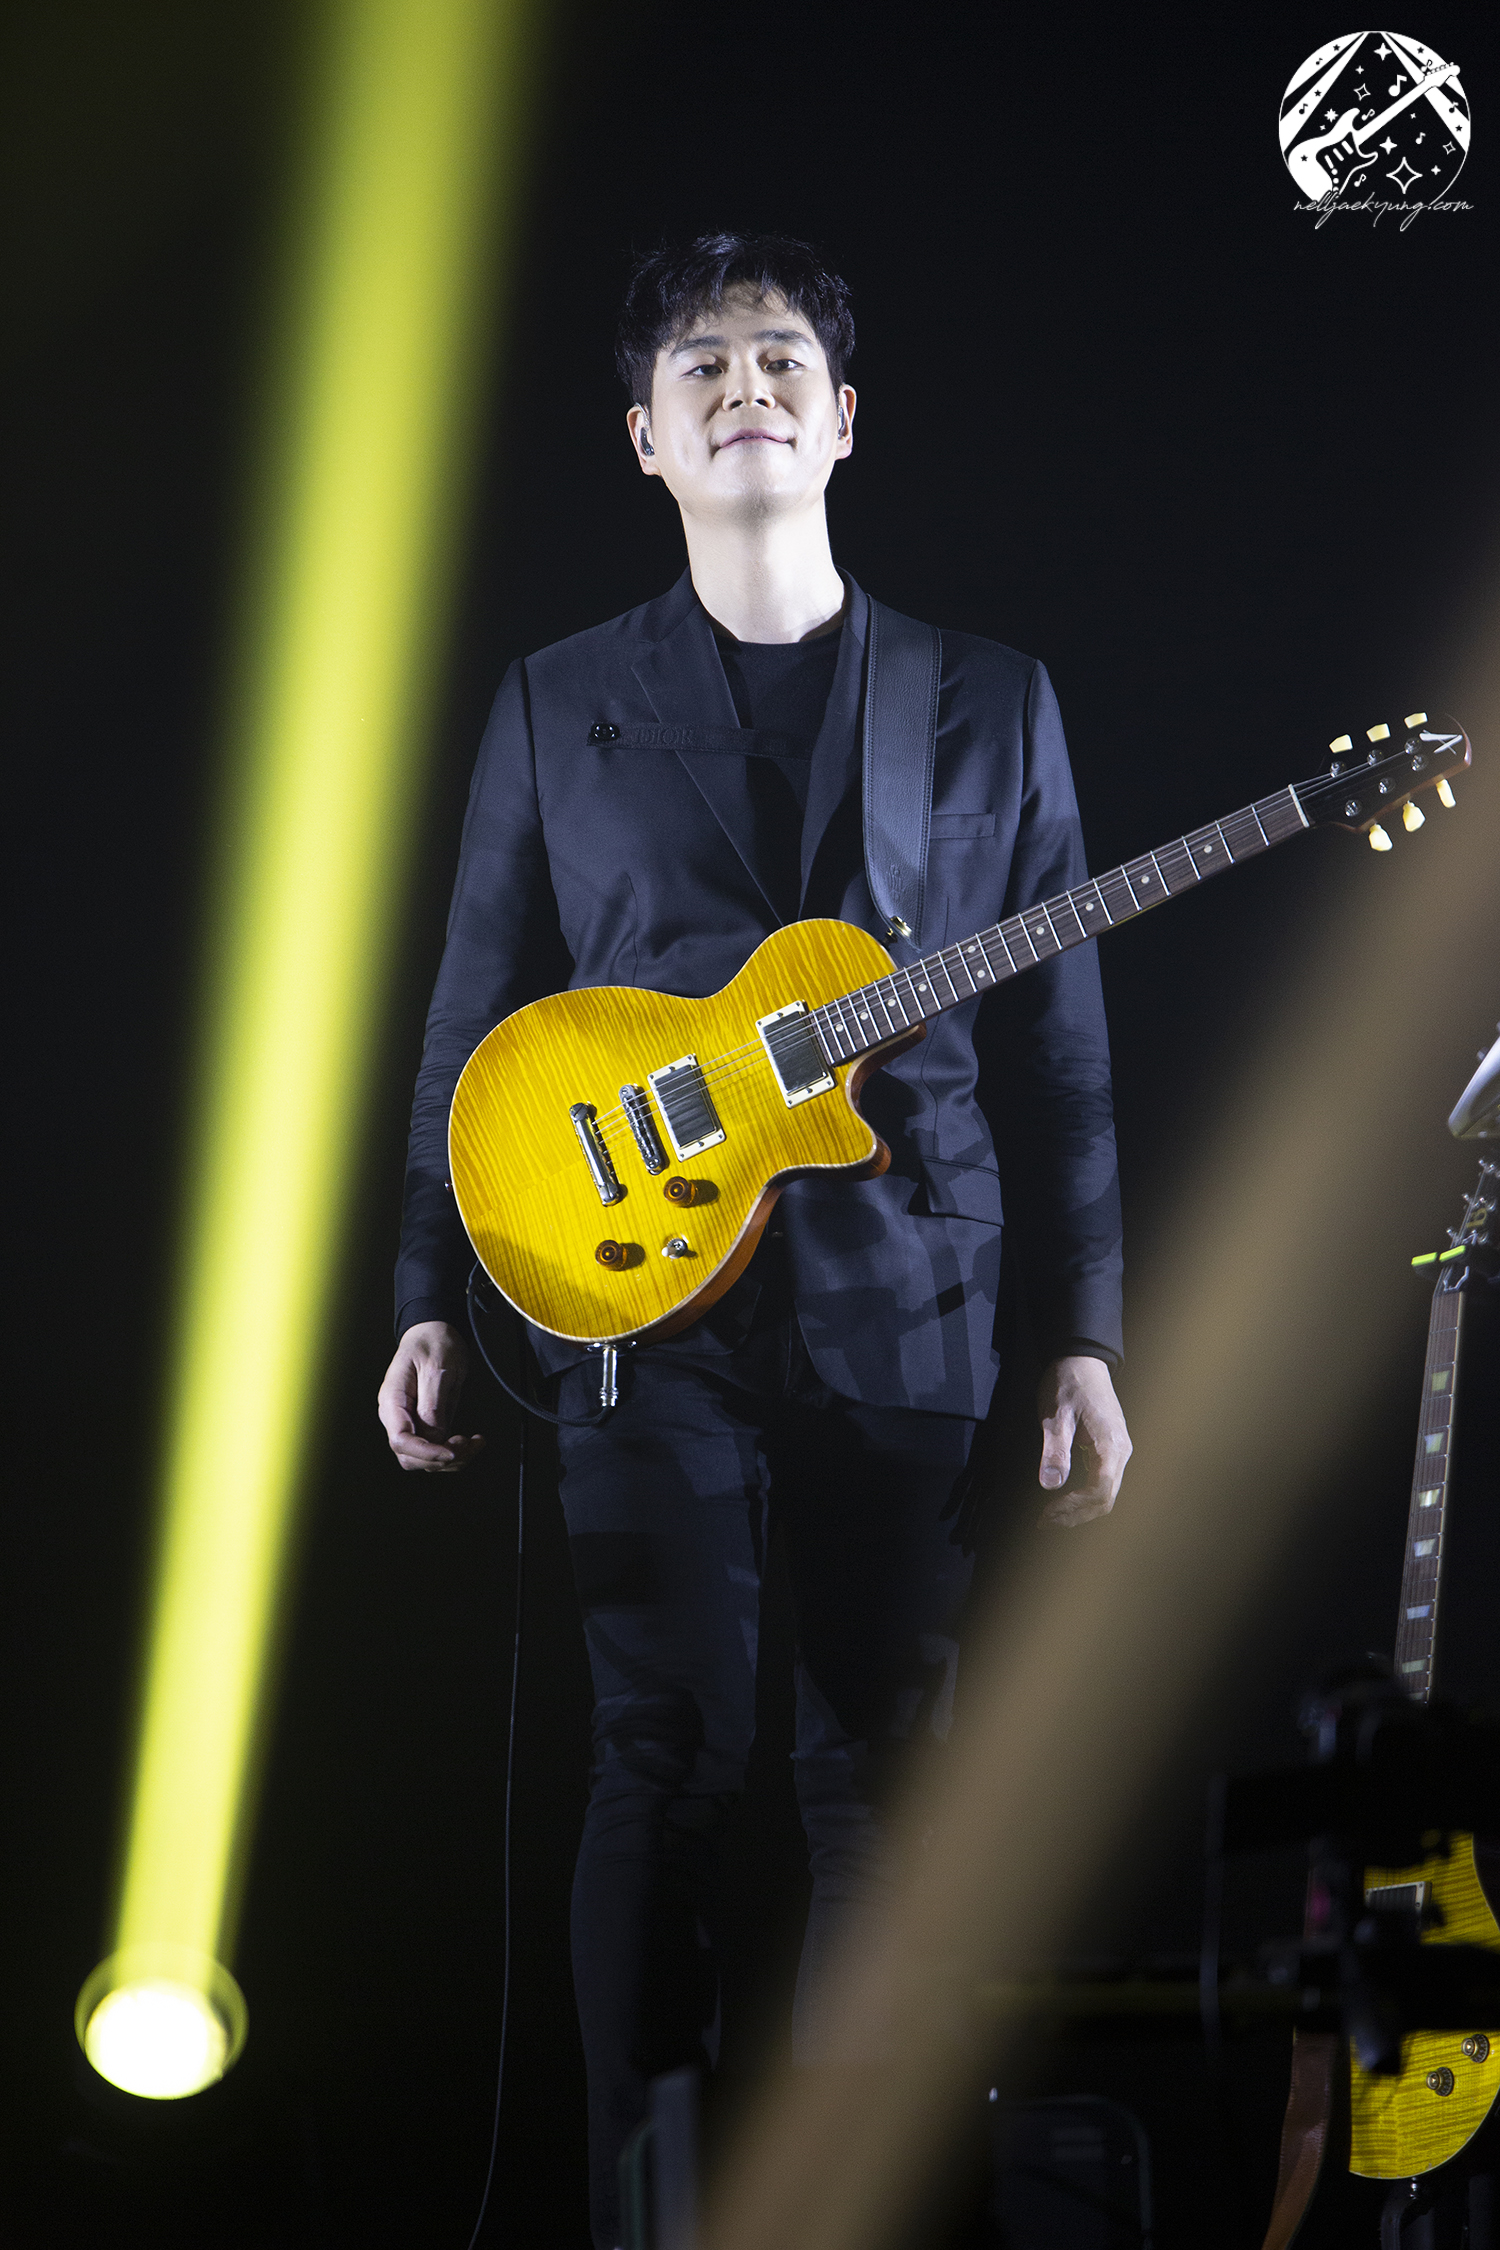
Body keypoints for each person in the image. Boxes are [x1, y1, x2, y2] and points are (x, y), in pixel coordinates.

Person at [377, 232, 1132, 2247]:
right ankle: (650, 2215)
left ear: (847, 417)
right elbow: (468, 1017)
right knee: (661, 1756)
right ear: (645, 437)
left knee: (886, 1776)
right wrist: (429, 1291)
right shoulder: (555, 702)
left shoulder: (990, 701)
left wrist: (1084, 1334)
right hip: (638, 1294)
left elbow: (1061, 1056)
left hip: (922, 1293)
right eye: (701, 365)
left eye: (784, 356)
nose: (748, 386)